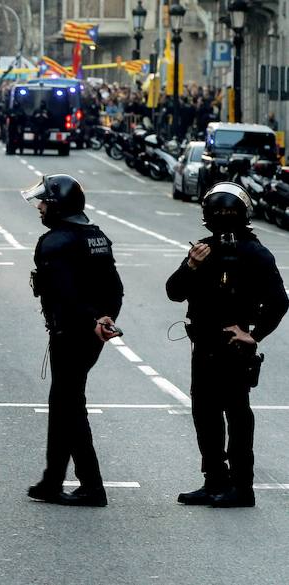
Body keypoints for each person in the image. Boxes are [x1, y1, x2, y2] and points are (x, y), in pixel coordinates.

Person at [166, 183, 288, 508]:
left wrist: (254, 334)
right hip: (204, 344)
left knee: (235, 414)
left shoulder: (254, 253)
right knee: (205, 413)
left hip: (232, 348)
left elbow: (278, 301)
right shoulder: (204, 251)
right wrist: (190, 265)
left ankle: (241, 488)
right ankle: (215, 481)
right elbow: (174, 291)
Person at [22, 175, 124, 507]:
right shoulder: (98, 237)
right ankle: (53, 479)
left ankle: (92, 485)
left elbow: (64, 294)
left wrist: (92, 321)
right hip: (91, 332)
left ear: (59, 207)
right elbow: (115, 289)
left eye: (44, 202)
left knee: (69, 406)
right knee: (63, 403)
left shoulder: (55, 242)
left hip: (71, 332)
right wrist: (106, 318)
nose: (39, 207)